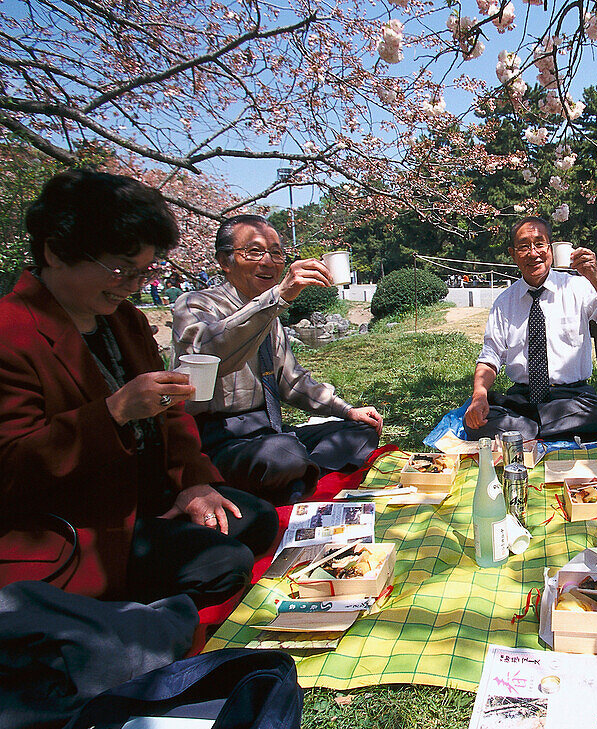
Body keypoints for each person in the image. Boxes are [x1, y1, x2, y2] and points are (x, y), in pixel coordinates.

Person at [0, 169, 278, 608]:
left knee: (257, 520)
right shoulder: (11, 331)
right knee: (222, 563)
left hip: (152, 496)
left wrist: (193, 482)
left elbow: (171, 411)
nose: (133, 285)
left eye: (143, 271)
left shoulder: (122, 319)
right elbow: (13, 467)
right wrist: (112, 414)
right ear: (55, 252)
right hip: (82, 518)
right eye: (119, 270)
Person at [173, 215, 383, 505]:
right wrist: (278, 297)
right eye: (255, 251)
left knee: (360, 431)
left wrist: (347, 410)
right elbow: (211, 353)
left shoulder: (270, 315)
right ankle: (296, 476)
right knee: (283, 453)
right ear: (225, 261)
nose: (268, 262)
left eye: (276, 253)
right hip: (220, 437)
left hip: (271, 432)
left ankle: (295, 478)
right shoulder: (197, 304)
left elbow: (292, 382)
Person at [464, 217, 597, 441]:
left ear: (551, 248)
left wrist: (594, 276)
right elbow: (490, 356)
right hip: (521, 399)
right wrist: (479, 394)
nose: (533, 253)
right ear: (512, 254)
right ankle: (546, 427)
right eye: (524, 247)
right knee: (474, 422)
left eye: (539, 244)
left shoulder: (577, 287)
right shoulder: (504, 302)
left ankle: (526, 430)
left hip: (572, 398)